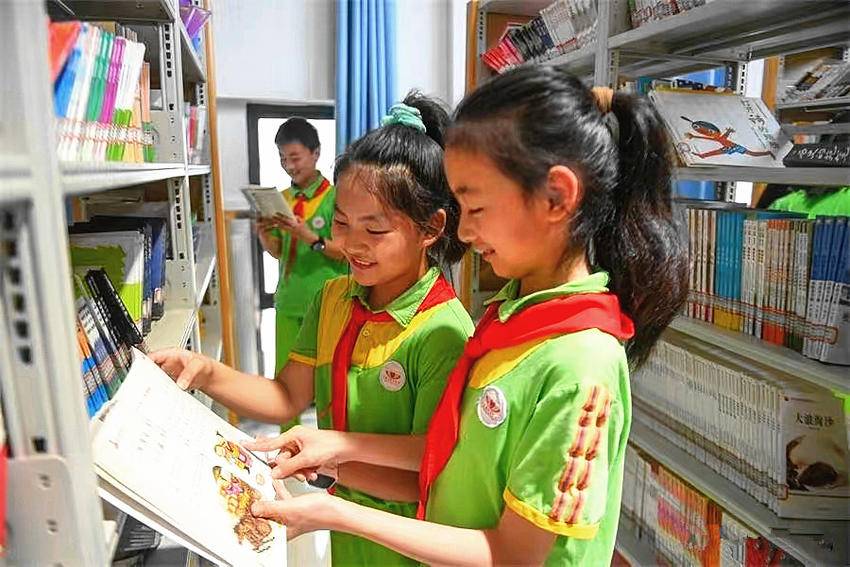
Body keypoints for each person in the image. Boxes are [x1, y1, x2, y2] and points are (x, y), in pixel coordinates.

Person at [247, 66, 690, 566]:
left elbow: (512, 555)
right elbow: (452, 451)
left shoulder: (580, 365)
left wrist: (336, 511)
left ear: (556, 197)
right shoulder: (513, 316)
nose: (463, 233)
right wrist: (334, 451)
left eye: (475, 209)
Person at [152, 92, 474, 566]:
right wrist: (206, 373)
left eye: (375, 230)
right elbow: (287, 396)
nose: (352, 245)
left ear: (430, 228)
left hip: (406, 541)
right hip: (344, 529)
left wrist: (327, 466)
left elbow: (426, 472)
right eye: (342, 223)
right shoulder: (334, 299)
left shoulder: (444, 332)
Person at [256, 118, 347, 376]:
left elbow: (346, 253)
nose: (289, 166)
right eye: (283, 159)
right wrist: (264, 234)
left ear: (315, 153)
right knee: (286, 378)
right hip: (288, 302)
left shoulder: (337, 198)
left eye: (295, 158)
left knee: (326, 379)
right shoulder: (281, 199)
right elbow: (279, 252)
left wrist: (310, 237)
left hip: (326, 305)